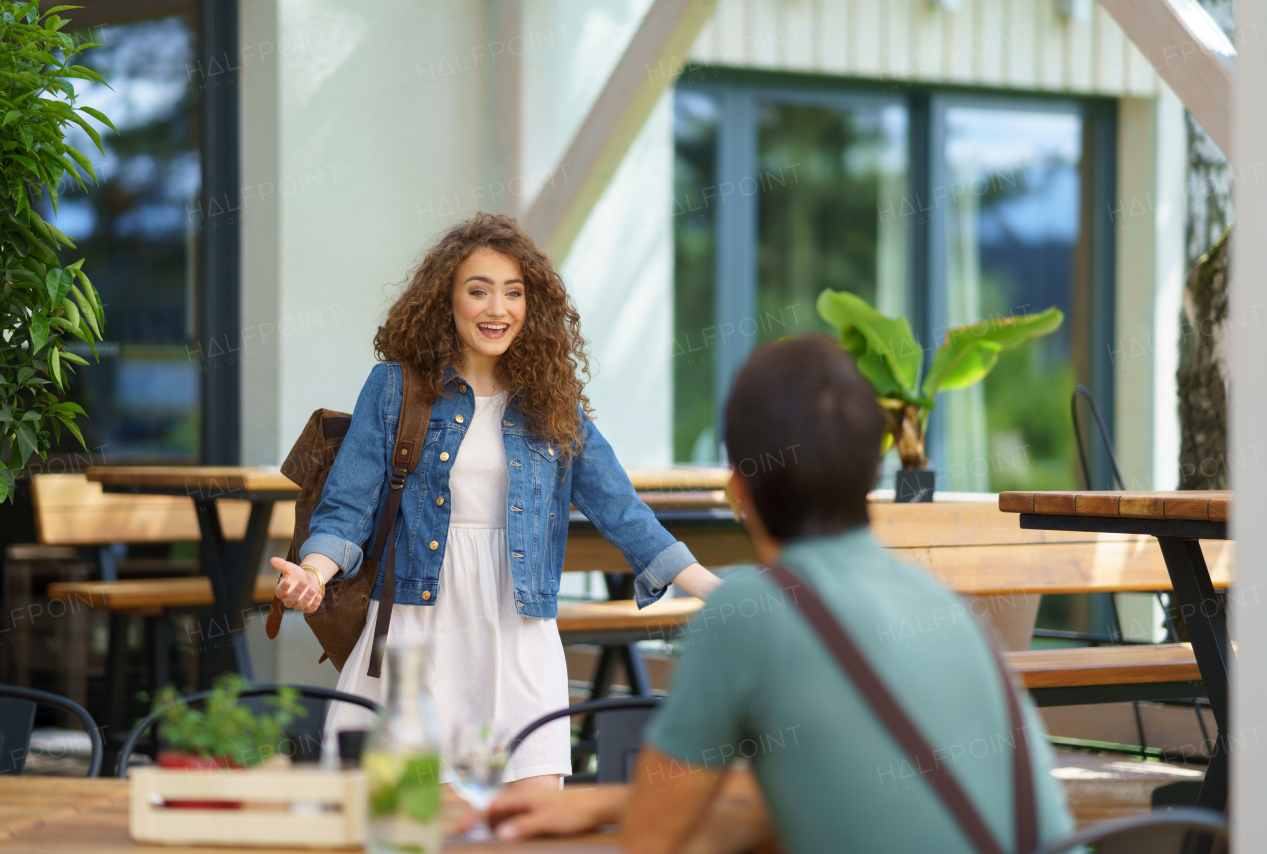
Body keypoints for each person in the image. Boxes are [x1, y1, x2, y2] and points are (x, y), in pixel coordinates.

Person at [487, 337, 1075, 851]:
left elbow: (651, 841)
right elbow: (838, 773)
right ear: (871, 471)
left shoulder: (748, 613)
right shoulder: (942, 606)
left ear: (738, 489)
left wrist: (618, 807)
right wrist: (608, 802)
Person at [270, 212, 722, 788]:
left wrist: (715, 588)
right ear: (446, 301)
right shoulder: (396, 386)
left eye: (513, 293)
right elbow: (347, 510)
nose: (497, 308)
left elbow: (621, 509)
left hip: (519, 629)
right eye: (478, 290)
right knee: (406, 829)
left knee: (531, 823)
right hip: (415, 628)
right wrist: (312, 572)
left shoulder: (550, 401)